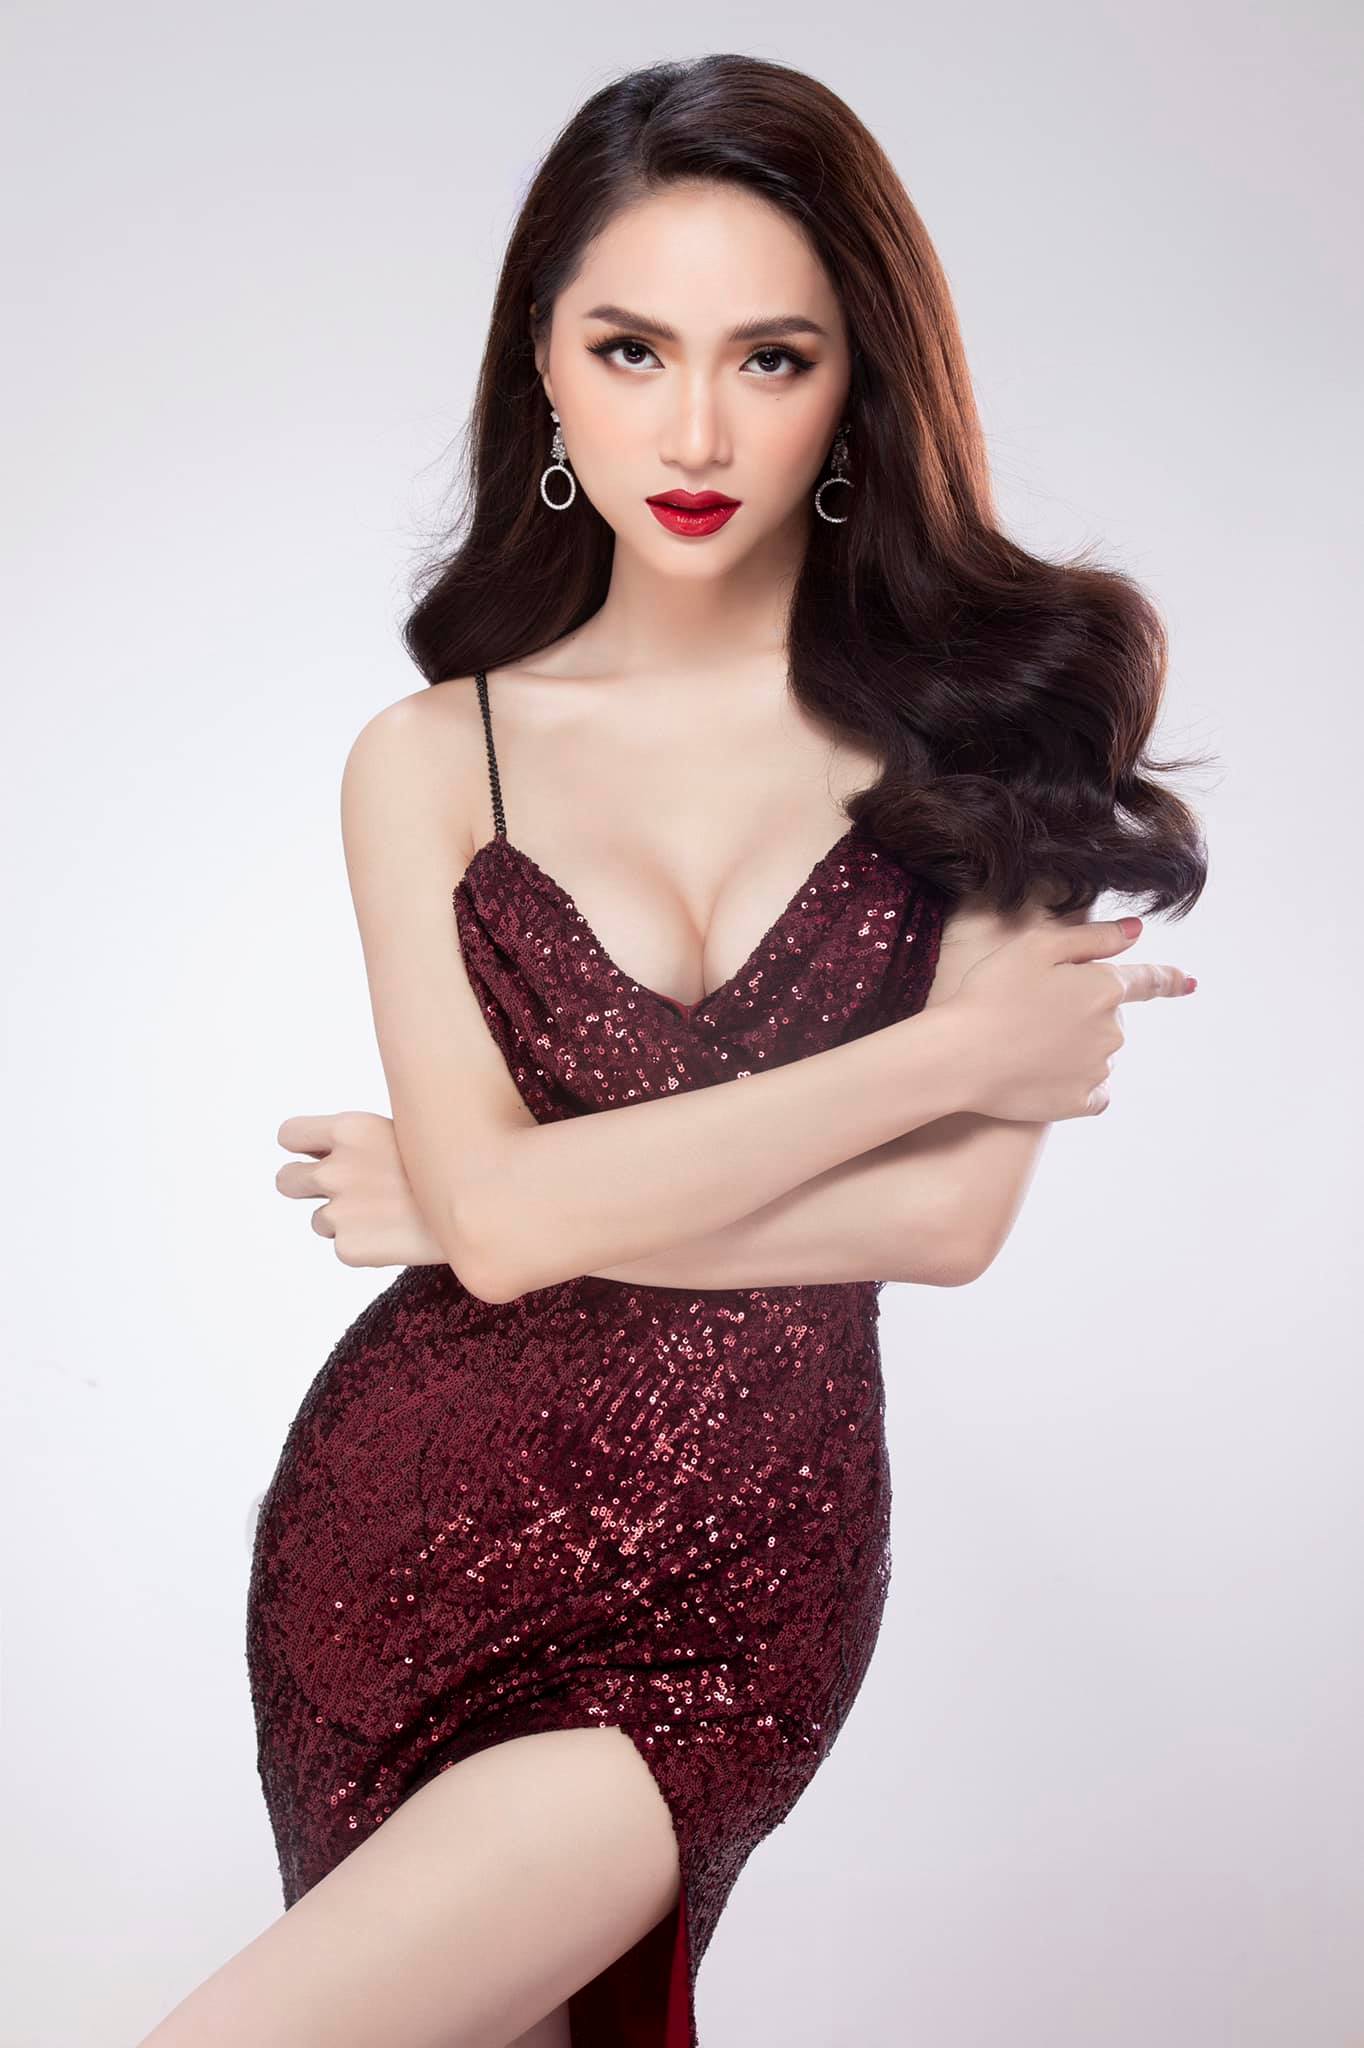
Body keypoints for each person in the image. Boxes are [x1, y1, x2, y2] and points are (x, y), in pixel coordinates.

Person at [137, 52, 1205, 2048]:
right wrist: (937, 1057)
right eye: (631, 350)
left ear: (857, 384)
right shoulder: (427, 758)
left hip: (731, 1605)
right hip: (396, 1551)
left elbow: (950, 1225)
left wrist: (504, 1201)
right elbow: (518, 1230)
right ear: (542, 367)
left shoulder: (997, 734)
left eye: (770, 358)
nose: (694, 429)